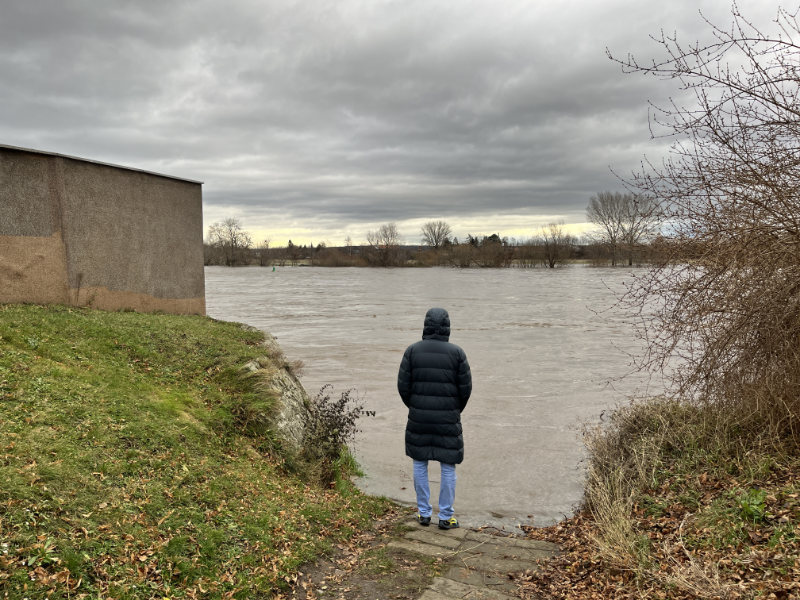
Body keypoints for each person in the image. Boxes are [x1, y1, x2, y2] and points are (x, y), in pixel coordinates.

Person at [397, 307, 472, 530]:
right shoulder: (457, 353)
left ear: (426, 325)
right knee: (448, 466)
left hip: (419, 417)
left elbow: (403, 386)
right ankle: (446, 516)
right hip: (448, 419)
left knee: (420, 463)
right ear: (447, 326)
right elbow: (466, 389)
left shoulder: (412, 351)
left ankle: (423, 513)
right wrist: (454, 409)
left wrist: (415, 406)